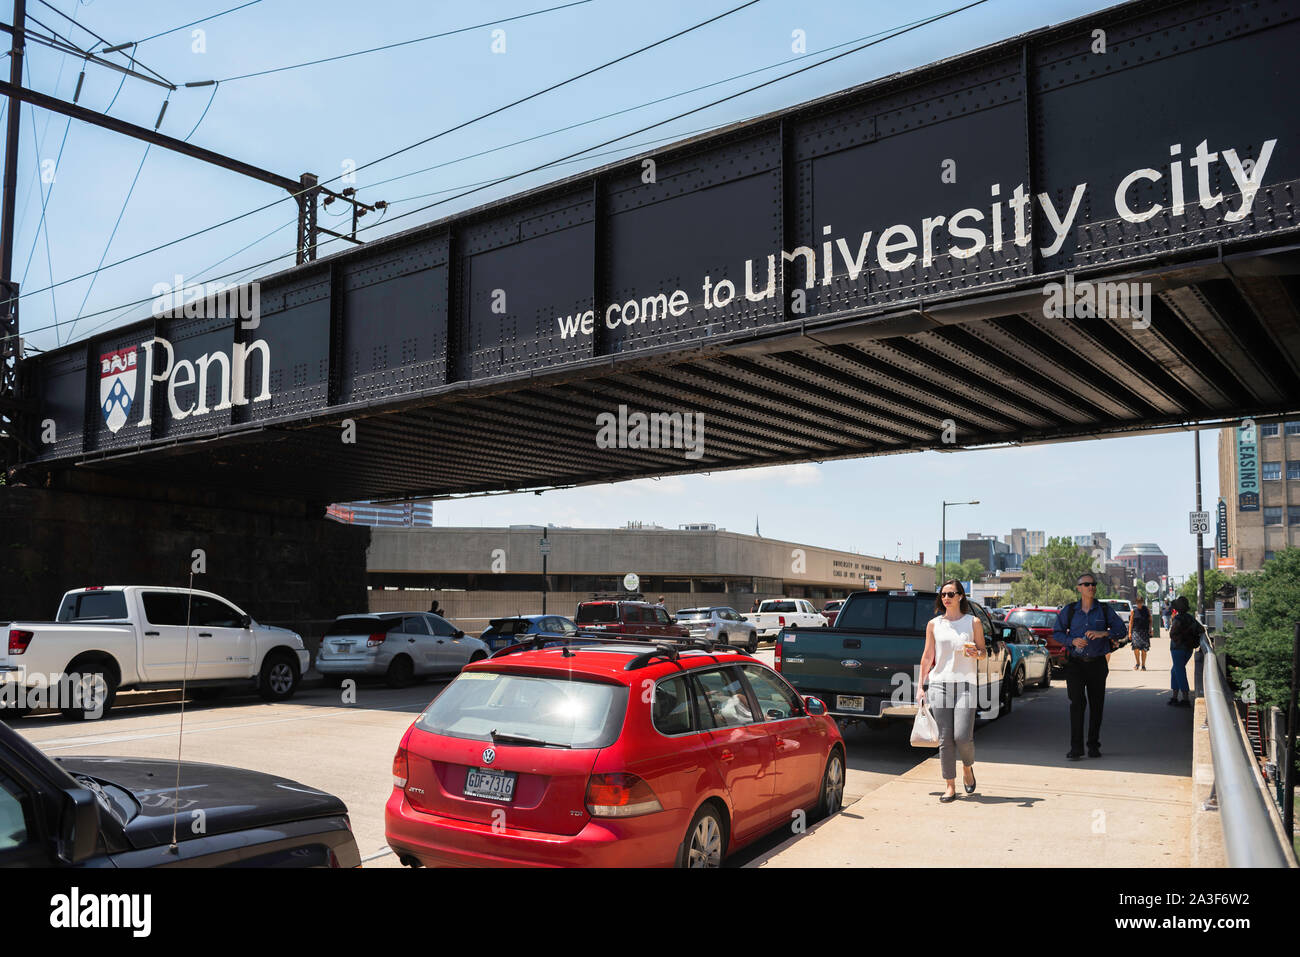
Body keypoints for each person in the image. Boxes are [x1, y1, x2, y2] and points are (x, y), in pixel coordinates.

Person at [918, 579, 985, 803]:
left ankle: (967, 767)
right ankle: (949, 786)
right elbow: (928, 657)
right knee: (945, 739)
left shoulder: (973, 622)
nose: (946, 598)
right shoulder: (934, 624)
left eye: (951, 594)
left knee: (962, 736)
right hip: (939, 684)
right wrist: (920, 686)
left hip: (966, 685)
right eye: (943, 594)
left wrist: (977, 653)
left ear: (960, 596)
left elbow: (984, 652)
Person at [1054, 574, 1127, 760]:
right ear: (1078, 588)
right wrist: (1072, 640)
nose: (1091, 587)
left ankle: (1093, 745)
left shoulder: (1104, 610)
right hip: (1075, 665)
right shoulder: (1070, 611)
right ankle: (1076, 748)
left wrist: (1103, 633)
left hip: (1097, 664)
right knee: (1076, 705)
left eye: (1093, 584)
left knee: (1097, 706)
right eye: (1086, 584)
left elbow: (1122, 631)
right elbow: (1057, 633)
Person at [1167, 596, 1201, 707]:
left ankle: (1185, 699)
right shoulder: (1190, 618)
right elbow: (1201, 629)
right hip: (1188, 649)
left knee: (1180, 671)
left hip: (1177, 649)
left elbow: (1172, 634)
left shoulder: (1177, 619)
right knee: (1175, 671)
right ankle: (1174, 697)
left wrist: (1180, 635)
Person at [1129, 595, 1152, 671]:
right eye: (1138, 602)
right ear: (1136, 602)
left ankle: (1143, 665)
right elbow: (1131, 622)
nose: (1139, 604)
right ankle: (1137, 663)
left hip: (1144, 631)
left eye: (1140, 602)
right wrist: (1129, 633)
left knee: (1144, 649)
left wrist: (1150, 629)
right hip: (1136, 631)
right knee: (1135, 647)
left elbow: (1150, 620)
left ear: (1142, 602)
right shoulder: (1133, 611)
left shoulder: (1146, 610)